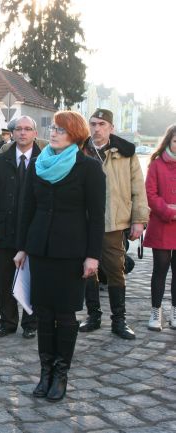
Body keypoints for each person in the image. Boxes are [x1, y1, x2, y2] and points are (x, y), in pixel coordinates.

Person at [14, 111, 105, 402]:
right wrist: (22, 247)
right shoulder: (38, 164)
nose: (53, 133)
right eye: (52, 128)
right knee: (43, 312)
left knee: (65, 315)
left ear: (75, 134)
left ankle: (60, 374)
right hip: (40, 249)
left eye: (61, 130)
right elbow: (26, 208)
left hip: (71, 251)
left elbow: (96, 217)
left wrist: (93, 256)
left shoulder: (89, 168)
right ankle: (44, 373)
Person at [79, 109, 149, 339]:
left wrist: (139, 219)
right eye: (93, 124)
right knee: (88, 270)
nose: (96, 128)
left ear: (111, 128)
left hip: (113, 222)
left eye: (101, 124)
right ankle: (93, 315)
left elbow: (138, 188)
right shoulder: (80, 150)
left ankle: (119, 320)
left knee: (116, 271)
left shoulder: (126, 153)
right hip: (85, 221)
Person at [0, 116, 41, 339]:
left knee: (32, 278)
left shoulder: (44, 159)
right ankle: (7, 322)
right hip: (6, 228)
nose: (23, 133)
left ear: (35, 133)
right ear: (13, 132)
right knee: (5, 279)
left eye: (28, 129)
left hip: (34, 230)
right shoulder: (1, 160)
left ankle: (30, 323)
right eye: (19, 129)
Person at [144, 124, 176, 331]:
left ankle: (175, 311)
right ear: (169, 141)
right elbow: (151, 195)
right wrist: (170, 211)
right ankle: (156, 312)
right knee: (160, 271)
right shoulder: (156, 164)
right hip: (162, 225)